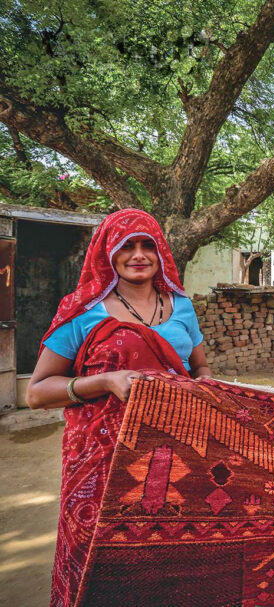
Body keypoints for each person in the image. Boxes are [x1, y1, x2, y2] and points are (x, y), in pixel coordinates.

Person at [26, 208, 211, 607]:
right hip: (102, 461)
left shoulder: (180, 306)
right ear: (108, 252)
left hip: (174, 455)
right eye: (127, 246)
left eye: (148, 245)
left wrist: (209, 389)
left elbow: (200, 368)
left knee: (169, 556)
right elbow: (38, 392)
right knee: (102, 563)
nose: (138, 254)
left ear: (161, 253)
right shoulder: (83, 310)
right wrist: (106, 382)